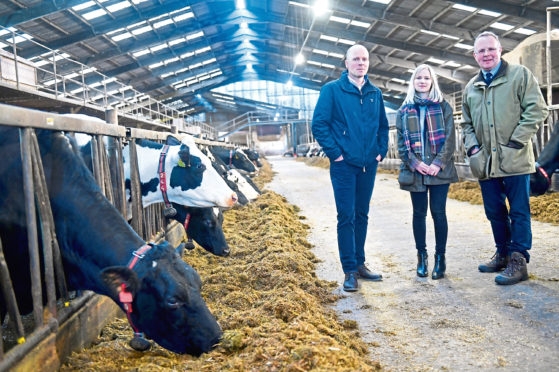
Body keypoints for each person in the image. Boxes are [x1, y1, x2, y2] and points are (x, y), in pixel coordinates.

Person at [462, 31, 548, 285]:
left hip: (515, 158)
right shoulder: (471, 87)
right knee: (494, 211)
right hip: (485, 162)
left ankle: (518, 259)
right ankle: (502, 252)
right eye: (481, 51)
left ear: (500, 50)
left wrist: (516, 141)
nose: (486, 54)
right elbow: (466, 124)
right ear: (474, 55)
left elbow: (537, 109)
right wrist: (473, 149)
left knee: (519, 210)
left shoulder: (519, 75)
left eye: (491, 49)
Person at [311, 44, 389, 292]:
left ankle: (360, 262)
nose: (360, 63)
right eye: (355, 59)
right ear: (346, 63)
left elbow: (383, 127)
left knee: (362, 215)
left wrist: (380, 152)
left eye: (364, 59)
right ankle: (349, 270)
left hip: (369, 165)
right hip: (344, 166)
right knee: (346, 216)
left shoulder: (375, 93)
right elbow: (319, 124)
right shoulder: (332, 90)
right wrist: (336, 155)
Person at [396, 64, 458, 280]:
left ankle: (440, 258)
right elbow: (401, 144)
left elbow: (450, 140)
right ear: (413, 82)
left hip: (439, 170)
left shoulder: (443, 107)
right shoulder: (404, 110)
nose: (422, 81)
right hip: (416, 171)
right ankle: (421, 257)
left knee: (439, 213)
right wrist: (415, 163)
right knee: (419, 214)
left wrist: (438, 163)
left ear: (432, 82)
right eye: (418, 78)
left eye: (426, 78)